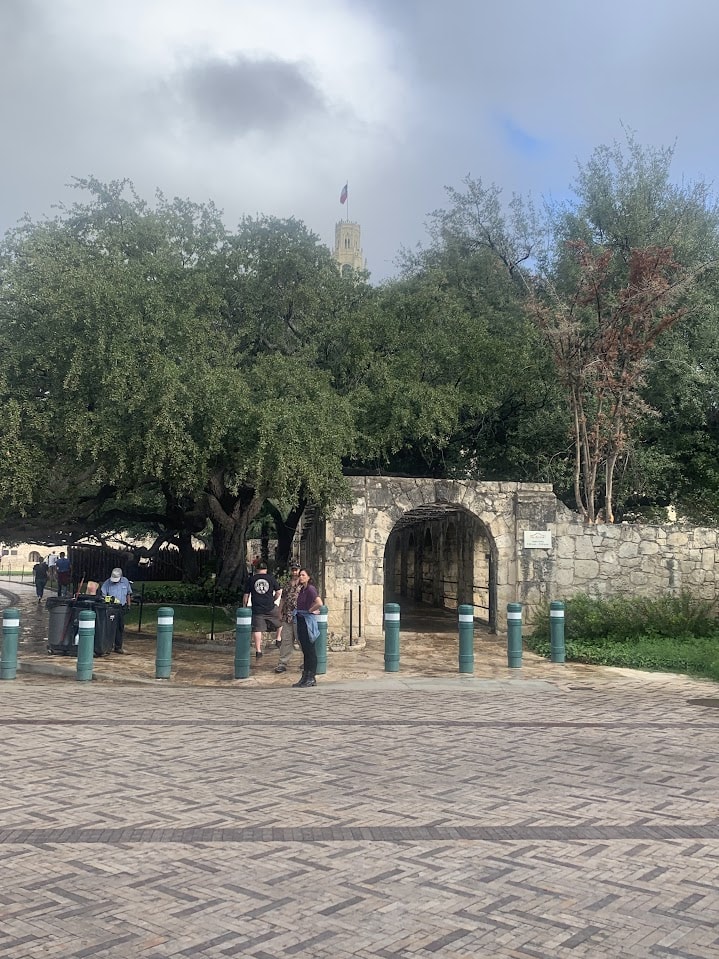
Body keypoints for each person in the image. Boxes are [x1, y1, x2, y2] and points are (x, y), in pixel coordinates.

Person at [243, 560, 282, 659]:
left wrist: (244, 606)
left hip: (257, 608)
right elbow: (279, 591)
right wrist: (274, 599)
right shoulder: (271, 578)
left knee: (257, 629)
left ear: (257, 570)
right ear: (266, 569)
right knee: (280, 622)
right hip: (270, 607)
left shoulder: (251, 579)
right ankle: (278, 638)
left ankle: (258, 651)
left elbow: (246, 595)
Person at [292, 568, 322, 688]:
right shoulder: (302, 589)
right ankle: (305, 676)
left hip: (306, 620)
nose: (301, 577)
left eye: (303, 575)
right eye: (300, 575)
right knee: (305, 649)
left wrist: (310, 610)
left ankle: (311, 676)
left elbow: (319, 603)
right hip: (300, 618)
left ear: (309, 577)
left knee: (310, 649)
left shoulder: (310, 589)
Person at [274, 563, 301, 674]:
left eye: (296, 570)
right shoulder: (287, 584)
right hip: (287, 616)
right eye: (293, 570)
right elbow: (283, 599)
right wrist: (279, 612)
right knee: (286, 640)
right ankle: (282, 663)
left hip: (299, 616)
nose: (294, 572)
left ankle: (306, 661)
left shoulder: (303, 584)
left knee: (301, 640)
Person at [100, 567, 132, 654]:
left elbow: (128, 593)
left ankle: (118, 647)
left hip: (121, 607)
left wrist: (128, 605)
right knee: (109, 627)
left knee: (120, 627)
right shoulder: (107, 583)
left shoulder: (125, 581)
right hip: (111, 607)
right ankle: (107, 646)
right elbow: (103, 596)